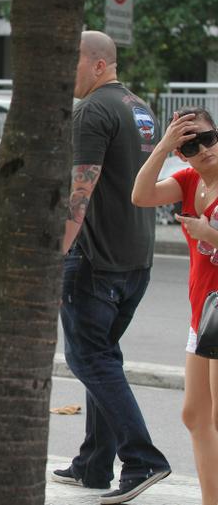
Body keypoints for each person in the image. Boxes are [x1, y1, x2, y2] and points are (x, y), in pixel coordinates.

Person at [51, 30, 171, 504]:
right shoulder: (140, 109)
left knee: (88, 358)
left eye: (73, 60)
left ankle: (142, 459)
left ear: (99, 64)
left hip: (95, 259)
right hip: (137, 256)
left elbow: (81, 193)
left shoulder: (93, 111)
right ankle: (94, 463)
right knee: (104, 357)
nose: (67, 71)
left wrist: (55, 253)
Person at [131, 106, 218, 505]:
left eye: (208, 138)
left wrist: (211, 234)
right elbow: (141, 194)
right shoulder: (186, 180)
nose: (204, 150)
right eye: (191, 145)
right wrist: (164, 146)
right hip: (203, 313)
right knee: (194, 415)